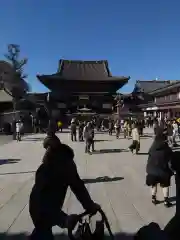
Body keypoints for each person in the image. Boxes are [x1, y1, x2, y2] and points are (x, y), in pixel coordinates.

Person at [29, 133, 100, 239]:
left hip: (49, 209)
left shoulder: (65, 164)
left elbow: (78, 186)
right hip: (40, 211)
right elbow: (40, 202)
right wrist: (63, 219)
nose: (47, 153)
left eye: (50, 148)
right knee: (43, 232)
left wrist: (89, 205)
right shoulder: (45, 170)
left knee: (42, 232)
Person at [146, 129, 174, 207]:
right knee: (165, 186)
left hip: (152, 171)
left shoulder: (152, 148)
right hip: (163, 171)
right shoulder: (167, 149)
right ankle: (166, 201)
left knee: (154, 185)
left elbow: (149, 160)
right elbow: (171, 161)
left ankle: (153, 199)